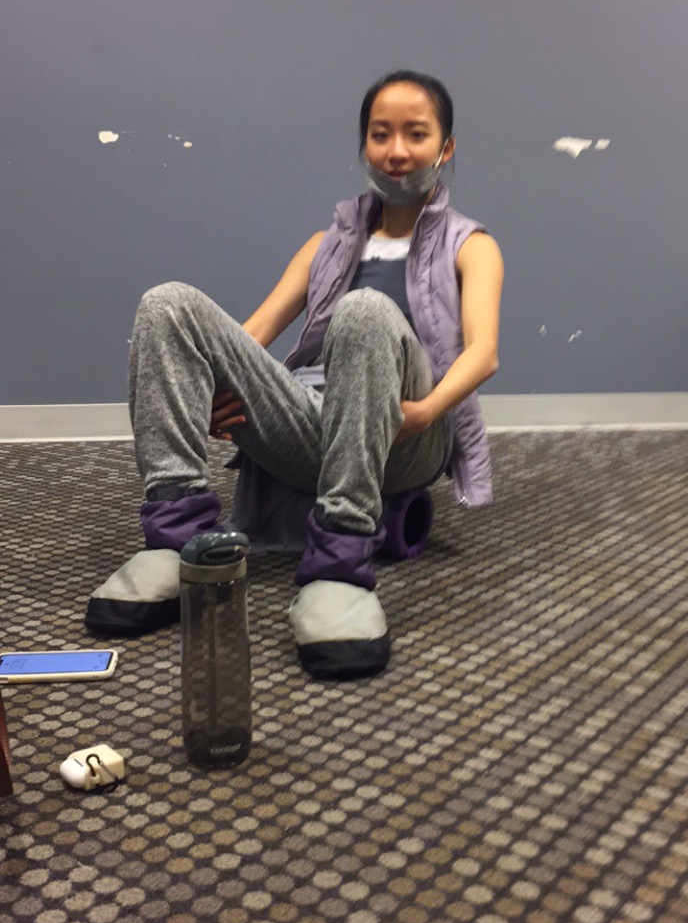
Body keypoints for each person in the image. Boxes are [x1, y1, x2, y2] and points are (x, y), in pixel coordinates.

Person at [86, 70, 504, 678]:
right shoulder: (325, 244)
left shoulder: (471, 245)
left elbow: (482, 354)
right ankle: (175, 536)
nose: (396, 151)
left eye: (416, 134)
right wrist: (210, 389)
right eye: (380, 134)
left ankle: (340, 564)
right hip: (316, 421)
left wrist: (423, 413)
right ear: (364, 145)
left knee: (365, 311)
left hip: (408, 432)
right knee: (168, 304)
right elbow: (250, 337)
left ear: (446, 147)